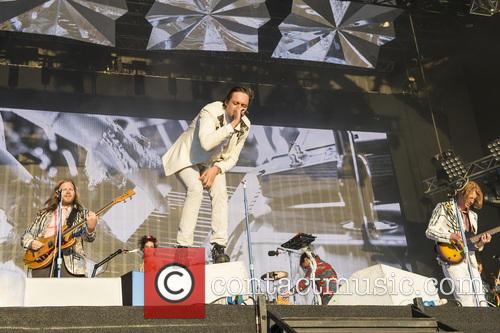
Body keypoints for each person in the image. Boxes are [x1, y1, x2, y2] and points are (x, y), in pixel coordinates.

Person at [162, 86, 252, 263]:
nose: (239, 109)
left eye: (244, 105)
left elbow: (233, 157)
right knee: (195, 189)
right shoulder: (210, 111)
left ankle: (218, 247)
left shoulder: (245, 125)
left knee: (220, 194)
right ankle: (183, 247)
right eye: (235, 103)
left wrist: (216, 169)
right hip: (188, 158)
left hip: (211, 163)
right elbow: (206, 143)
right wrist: (232, 124)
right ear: (226, 102)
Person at [425, 180, 492, 306]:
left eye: (474, 198)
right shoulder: (444, 207)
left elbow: (470, 243)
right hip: (452, 259)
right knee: (465, 299)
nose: (472, 201)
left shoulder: (473, 216)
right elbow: (430, 231)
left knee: (481, 299)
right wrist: (450, 236)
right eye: (470, 197)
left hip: (470, 260)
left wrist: (481, 243)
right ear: (461, 194)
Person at [21, 179, 97, 277]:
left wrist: (91, 228)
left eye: (71, 189)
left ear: (75, 193)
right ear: (57, 194)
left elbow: (89, 238)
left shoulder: (82, 214)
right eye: (64, 189)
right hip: (41, 259)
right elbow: (26, 235)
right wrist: (31, 243)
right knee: (41, 290)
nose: (68, 191)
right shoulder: (44, 214)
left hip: (71, 262)